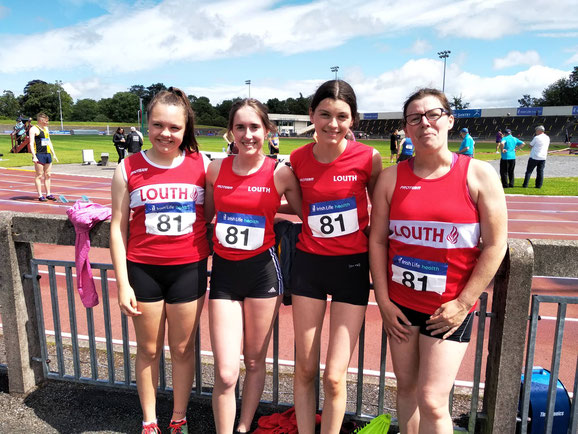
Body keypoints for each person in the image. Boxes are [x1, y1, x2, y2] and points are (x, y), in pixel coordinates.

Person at [369, 88, 507, 434]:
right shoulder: (390, 178)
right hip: (401, 305)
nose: (424, 123)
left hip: (448, 309)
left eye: (432, 114)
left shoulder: (478, 175)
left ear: (449, 120)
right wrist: (383, 301)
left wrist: (463, 303)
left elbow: (496, 245)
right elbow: (378, 240)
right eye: (414, 117)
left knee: (432, 399)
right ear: (406, 128)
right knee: (406, 389)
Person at [110, 87, 210, 434]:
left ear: (186, 129)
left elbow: (218, 209)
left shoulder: (202, 165)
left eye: (174, 127)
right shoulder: (128, 167)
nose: (165, 134)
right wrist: (122, 283)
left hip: (189, 269)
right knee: (148, 349)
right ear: (146, 125)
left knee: (183, 350)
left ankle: (179, 417)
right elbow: (118, 228)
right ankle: (149, 420)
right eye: (157, 125)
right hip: (144, 271)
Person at [289, 80, 382, 434]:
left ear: (353, 120)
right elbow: (300, 207)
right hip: (309, 267)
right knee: (305, 369)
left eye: (342, 116)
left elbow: (383, 211)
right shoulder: (297, 159)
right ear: (311, 115)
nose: (332, 123)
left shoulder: (368, 158)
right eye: (324, 114)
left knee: (333, 375)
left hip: (352, 269)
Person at [204, 99, 302, 434]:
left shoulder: (280, 172)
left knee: (255, 360)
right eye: (240, 127)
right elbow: (205, 215)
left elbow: (305, 212)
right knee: (226, 371)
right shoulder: (216, 169)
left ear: (267, 131)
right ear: (230, 132)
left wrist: (275, 210)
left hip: (263, 274)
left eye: (254, 127)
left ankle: (244, 426)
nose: (248, 135)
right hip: (224, 277)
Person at [29, 113, 59, 201]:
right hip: (39, 154)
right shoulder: (33, 129)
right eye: (46, 121)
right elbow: (31, 143)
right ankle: (40, 195)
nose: (47, 122)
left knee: (48, 175)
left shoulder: (46, 129)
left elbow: (49, 141)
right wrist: (34, 156)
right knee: (39, 175)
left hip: (47, 154)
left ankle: (48, 194)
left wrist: (54, 154)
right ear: (41, 121)